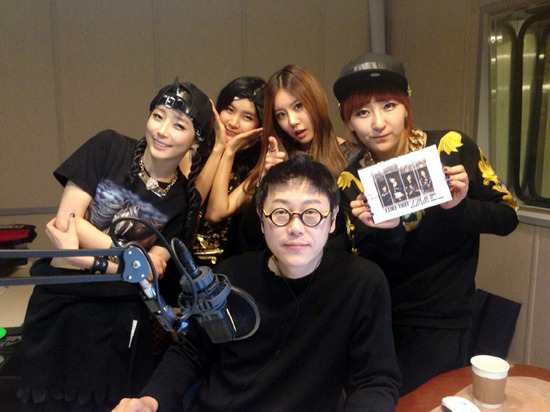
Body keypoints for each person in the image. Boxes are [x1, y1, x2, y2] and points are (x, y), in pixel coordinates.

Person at [111, 152, 401, 412]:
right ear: (262, 220)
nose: (296, 227)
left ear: (333, 219)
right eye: (281, 213)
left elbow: (374, 380)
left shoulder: (360, 283)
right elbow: (192, 351)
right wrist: (149, 400)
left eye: (311, 213)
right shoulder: (231, 276)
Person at [19, 79, 214, 411]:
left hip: (117, 321)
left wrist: (85, 254)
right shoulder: (108, 147)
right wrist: (130, 257)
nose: (162, 130)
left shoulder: (184, 200)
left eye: (179, 125)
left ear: (196, 141)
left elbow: (151, 271)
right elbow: (65, 225)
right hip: (59, 305)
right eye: (158, 116)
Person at [332, 52, 519, 396]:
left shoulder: (451, 148)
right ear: (350, 123)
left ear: (406, 107)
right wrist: (386, 231)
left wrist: (459, 207)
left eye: (388, 106)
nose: (378, 123)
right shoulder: (351, 181)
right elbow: (368, 268)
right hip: (381, 320)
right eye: (362, 112)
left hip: (444, 320)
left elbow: (508, 217)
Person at [238, 65, 358, 252]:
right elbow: (249, 240)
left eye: (298, 106)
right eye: (281, 115)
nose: (292, 121)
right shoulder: (276, 160)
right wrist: (266, 181)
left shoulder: (352, 157)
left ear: (315, 100)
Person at [193, 76, 266, 265]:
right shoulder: (193, 149)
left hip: (226, 269)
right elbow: (191, 205)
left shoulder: (258, 169)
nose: (233, 122)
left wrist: (229, 151)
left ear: (260, 126)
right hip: (179, 265)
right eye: (230, 110)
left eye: (247, 117)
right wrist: (218, 147)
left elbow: (215, 212)